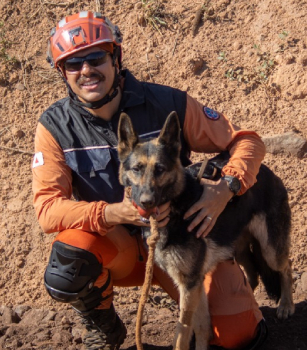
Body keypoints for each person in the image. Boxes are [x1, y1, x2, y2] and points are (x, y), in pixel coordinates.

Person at [31, 11, 268, 350]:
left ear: (116, 57)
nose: (86, 70)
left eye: (95, 57)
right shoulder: (55, 127)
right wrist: (113, 214)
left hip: (184, 243)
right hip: (121, 250)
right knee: (69, 259)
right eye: (73, 64)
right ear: (62, 73)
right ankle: (104, 328)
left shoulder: (166, 103)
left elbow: (248, 142)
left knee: (237, 336)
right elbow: (48, 210)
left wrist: (225, 188)